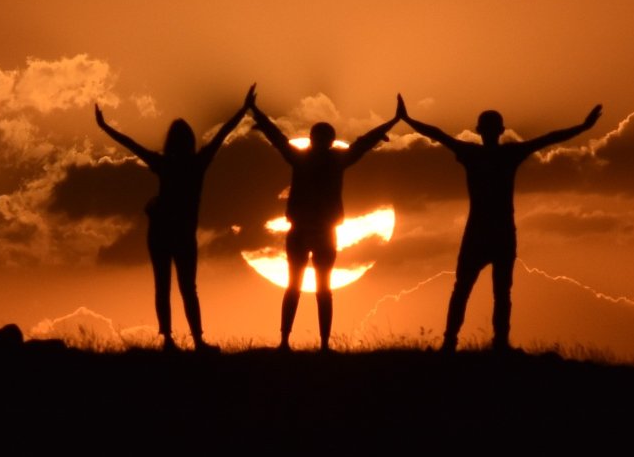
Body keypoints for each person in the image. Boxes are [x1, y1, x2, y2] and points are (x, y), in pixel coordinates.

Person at [403, 104, 603, 353]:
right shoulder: (507, 154)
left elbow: (438, 134)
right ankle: (489, 344)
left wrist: (408, 119)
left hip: (484, 232)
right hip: (498, 232)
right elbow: (549, 138)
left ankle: (454, 343)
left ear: (480, 131)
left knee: (468, 290)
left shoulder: (473, 153)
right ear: (501, 131)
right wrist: (583, 127)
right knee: (493, 292)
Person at [95, 85, 255, 352]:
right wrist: (244, 109)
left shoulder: (164, 163)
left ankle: (169, 340)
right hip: (182, 233)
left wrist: (104, 126)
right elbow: (223, 134)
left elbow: (130, 144)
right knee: (187, 288)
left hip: (161, 231)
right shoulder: (198, 162)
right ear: (190, 140)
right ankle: (197, 340)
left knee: (164, 286)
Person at [249, 93, 403, 351]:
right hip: (309, 231)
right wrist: (258, 115)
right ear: (325, 140)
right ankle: (304, 343)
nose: (322, 143)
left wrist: (257, 115)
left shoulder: (310, 159)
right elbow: (362, 144)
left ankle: (304, 343)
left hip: (313, 231)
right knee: (311, 289)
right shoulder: (332, 160)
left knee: (307, 288)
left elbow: (279, 139)